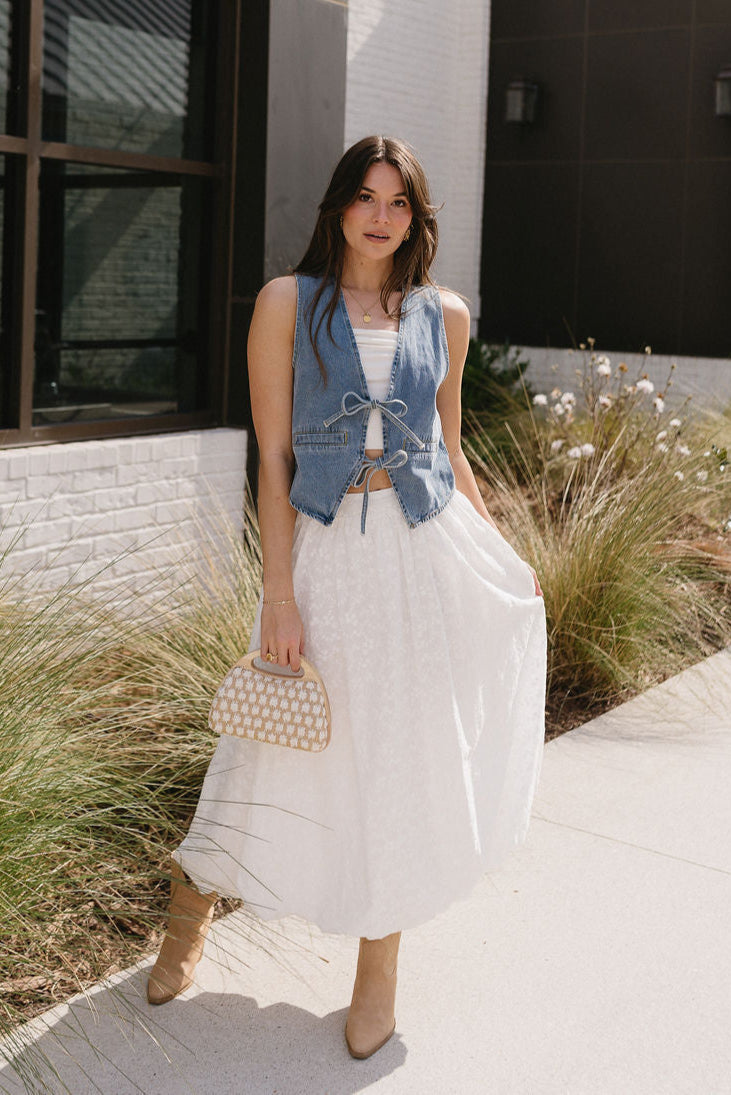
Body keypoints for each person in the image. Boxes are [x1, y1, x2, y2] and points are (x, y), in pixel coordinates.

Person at [147, 135, 547, 1060]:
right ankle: (190, 908)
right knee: (270, 746)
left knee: (403, 756)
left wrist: (501, 553)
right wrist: (277, 594)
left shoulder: (442, 314)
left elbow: (449, 449)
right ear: (337, 206)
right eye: (364, 197)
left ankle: (378, 969)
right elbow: (275, 457)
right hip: (327, 558)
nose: (379, 215)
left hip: (423, 558)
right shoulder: (288, 303)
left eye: (397, 202)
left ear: (417, 217)